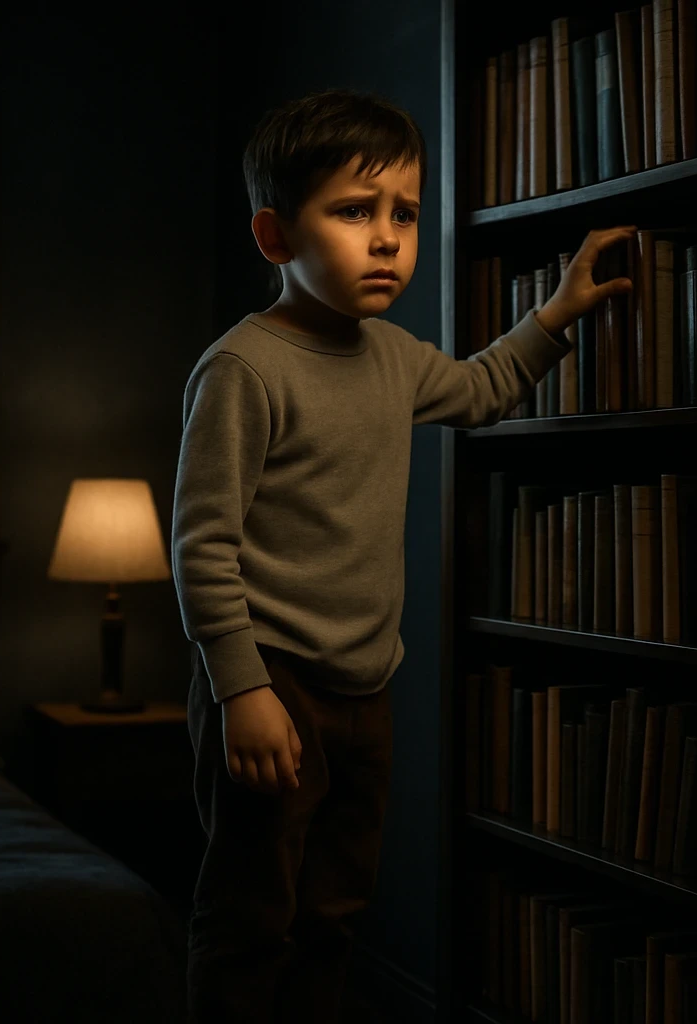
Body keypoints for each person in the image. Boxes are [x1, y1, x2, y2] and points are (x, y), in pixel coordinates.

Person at [171, 87, 635, 1024]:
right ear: (275, 237)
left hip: (364, 687)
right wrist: (241, 689)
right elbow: (200, 545)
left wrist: (560, 310)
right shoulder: (244, 369)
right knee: (253, 915)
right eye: (353, 211)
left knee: (334, 912)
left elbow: (483, 389)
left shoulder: (393, 356)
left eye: (404, 214)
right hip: (272, 684)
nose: (387, 238)